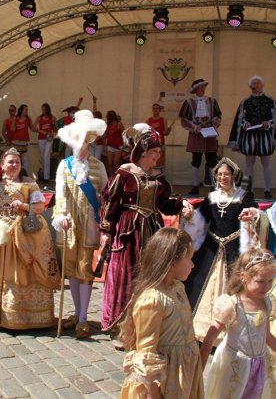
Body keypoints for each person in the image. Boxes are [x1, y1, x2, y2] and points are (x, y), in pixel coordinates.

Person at [100, 124, 192, 337]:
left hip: (151, 231)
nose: (157, 156)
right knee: (125, 274)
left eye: (159, 152)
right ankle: (122, 326)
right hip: (128, 231)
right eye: (154, 152)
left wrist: (182, 205)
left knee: (150, 273)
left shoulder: (159, 178)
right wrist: (106, 230)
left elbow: (165, 205)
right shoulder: (124, 173)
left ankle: (146, 322)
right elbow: (110, 201)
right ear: (142, 152)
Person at [0, 147, 60, 329]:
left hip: (21, 236)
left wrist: (23, 205)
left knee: (19, 273)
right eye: (10, 162)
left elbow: (40, 207)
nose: (14, 165)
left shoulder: (29, 184)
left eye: (17, 162)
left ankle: (21, 316)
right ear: (2, 165)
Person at [181, 157, 264, 343]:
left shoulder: (244, 196)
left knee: (234, 287)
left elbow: (256, 212)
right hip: (211, 247)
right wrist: (190, 215)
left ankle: (228, 335)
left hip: (234, 248)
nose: (222, 178)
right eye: (219, 174)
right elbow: (201, 219)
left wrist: (252, 215)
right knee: (198, 283)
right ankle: (200, 330)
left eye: (226, 174)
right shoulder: (211, 197)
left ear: (234, 176)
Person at [119, 228, 204, 399]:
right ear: (172, 263)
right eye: (189, 258)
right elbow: (146, 355)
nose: (193, 265)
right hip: (165, 381)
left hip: (184, 373)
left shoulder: (177, 288)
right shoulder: (152, 300)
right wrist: (154, 394)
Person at [52, 109, 108, 339]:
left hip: (89, 226)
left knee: (85, 270)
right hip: (69, 226)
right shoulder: (64, 165)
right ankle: (76, 313)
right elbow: (60, 193)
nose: (80, 144)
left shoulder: (98, 166)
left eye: (84, 139)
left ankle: (84, 318)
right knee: (72, 270)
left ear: (89, 141)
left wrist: (104, 221)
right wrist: (61, 214)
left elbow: (106, 195)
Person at [200, 248, 276, 398]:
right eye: (260, 282)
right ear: (243, 277)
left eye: (270, 281)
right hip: (234, 368)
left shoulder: (266, 302)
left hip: (258, 367)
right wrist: (199, 368)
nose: (266, 286)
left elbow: (266, 336)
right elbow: (210, 338)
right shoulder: (232, 305)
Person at [229, 75, 276, 199]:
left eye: (258, 83)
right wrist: (245, 124)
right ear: (250, 86)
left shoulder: (271, 101)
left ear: (262, 85)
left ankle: (267, 190)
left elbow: (274, 117)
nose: (256, 85)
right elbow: (240, 118)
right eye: (253, 83)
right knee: (248, 163)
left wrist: (268, 123)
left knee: (266, 163)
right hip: (250, 136)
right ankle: (247, 189)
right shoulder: (245, 102)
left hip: (265, 136)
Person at [179, 78, 222, 195]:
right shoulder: (189, 102)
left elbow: (218, 115)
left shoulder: (212, 101)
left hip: (209, 133)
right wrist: (194, 127)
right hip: (196, 134)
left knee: (212, 160)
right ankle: (195, 186)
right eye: (200, 87)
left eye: (204, 87)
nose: (203, 89)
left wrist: (215, 122)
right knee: (196, 160)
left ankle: (213, 186)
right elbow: (183, 119)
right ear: (196, 89)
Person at [32, 102, 56, 182]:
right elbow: (33, 128)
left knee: (46, 156)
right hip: (41, 138)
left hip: (49, 139)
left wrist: (52, 133)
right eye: (42, 109)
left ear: (48, 109)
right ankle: (44, 175)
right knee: (43, 157)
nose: (43, 111)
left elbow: (55, 128)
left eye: (45, 109)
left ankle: (46, 177)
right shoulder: (39, 117)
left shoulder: (53, 117)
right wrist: (41, 131)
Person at [146, 103, 172, 170]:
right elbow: (146, 134)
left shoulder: (163, 120)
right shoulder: (148, 120)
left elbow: (166, 133)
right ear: (152, 110)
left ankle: (161, 176)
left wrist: (169, 129)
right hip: (151, 145)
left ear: (159, 110)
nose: (155, 110)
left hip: (161, 145)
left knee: (161, 164)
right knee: (151, 163)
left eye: (157, 108)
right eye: (154, 108)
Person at [10, 104, 32, 174]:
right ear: (21, 110)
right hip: (16, 142)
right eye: (26, 109)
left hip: (24, 142)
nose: (27, 111)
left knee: (25, 160)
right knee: (16, 158)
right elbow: (12, 128)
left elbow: (32, 128)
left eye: (27, 109)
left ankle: (25, 175)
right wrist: (14, 127)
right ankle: (15, 174)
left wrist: (39, 130)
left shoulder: (28, 119)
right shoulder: (15, 118)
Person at [105, 110, 124, 175]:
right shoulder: (107, 125)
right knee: (109, 164)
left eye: (107, 116)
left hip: (118, 146)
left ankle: (117, 177)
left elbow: (124, 132)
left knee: (115, 163)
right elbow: (106, 135)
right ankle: (111, 177)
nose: (106, 117)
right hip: (110, 145)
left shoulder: (119, 124)